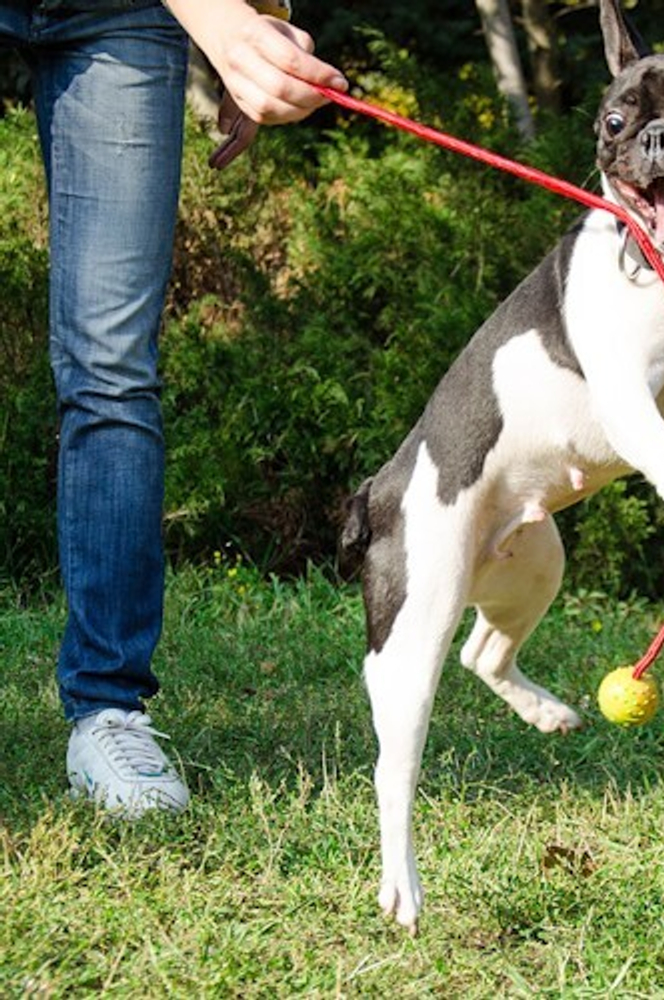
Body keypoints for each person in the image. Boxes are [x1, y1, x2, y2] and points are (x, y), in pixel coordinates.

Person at [0, 0, 346, 817]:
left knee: (111, 368)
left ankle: (107, 711)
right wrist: (221, 23)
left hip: (120, 12)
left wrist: (253, 19)